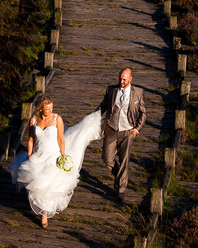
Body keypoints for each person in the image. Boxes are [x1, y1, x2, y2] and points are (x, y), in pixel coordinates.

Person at [11, 95, 101, 227]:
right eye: (47, 109)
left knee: (49, 186)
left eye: (51, 108)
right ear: (40, 109)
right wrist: (29, 155)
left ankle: (44, 214)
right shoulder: (33, 121)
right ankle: (40, 206)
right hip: (38, 155)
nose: (50, 110)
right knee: (36, 184)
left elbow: (60, 139)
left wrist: (63, 155)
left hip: (53, 155)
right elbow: (31, 139)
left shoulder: (57, 119)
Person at [98, 67, 146, 203]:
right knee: (107, 159)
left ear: (131, 79)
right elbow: (103, 105)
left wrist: (136, 129)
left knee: (125, 161)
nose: (121, 81)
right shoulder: (111, 89)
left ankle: (121, 190)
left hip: (127, 131)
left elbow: (143, 113)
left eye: (124, 79)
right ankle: (120, 177)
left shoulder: (138, 92)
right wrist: (93, 117)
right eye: (120, 78)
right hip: (111, 129)